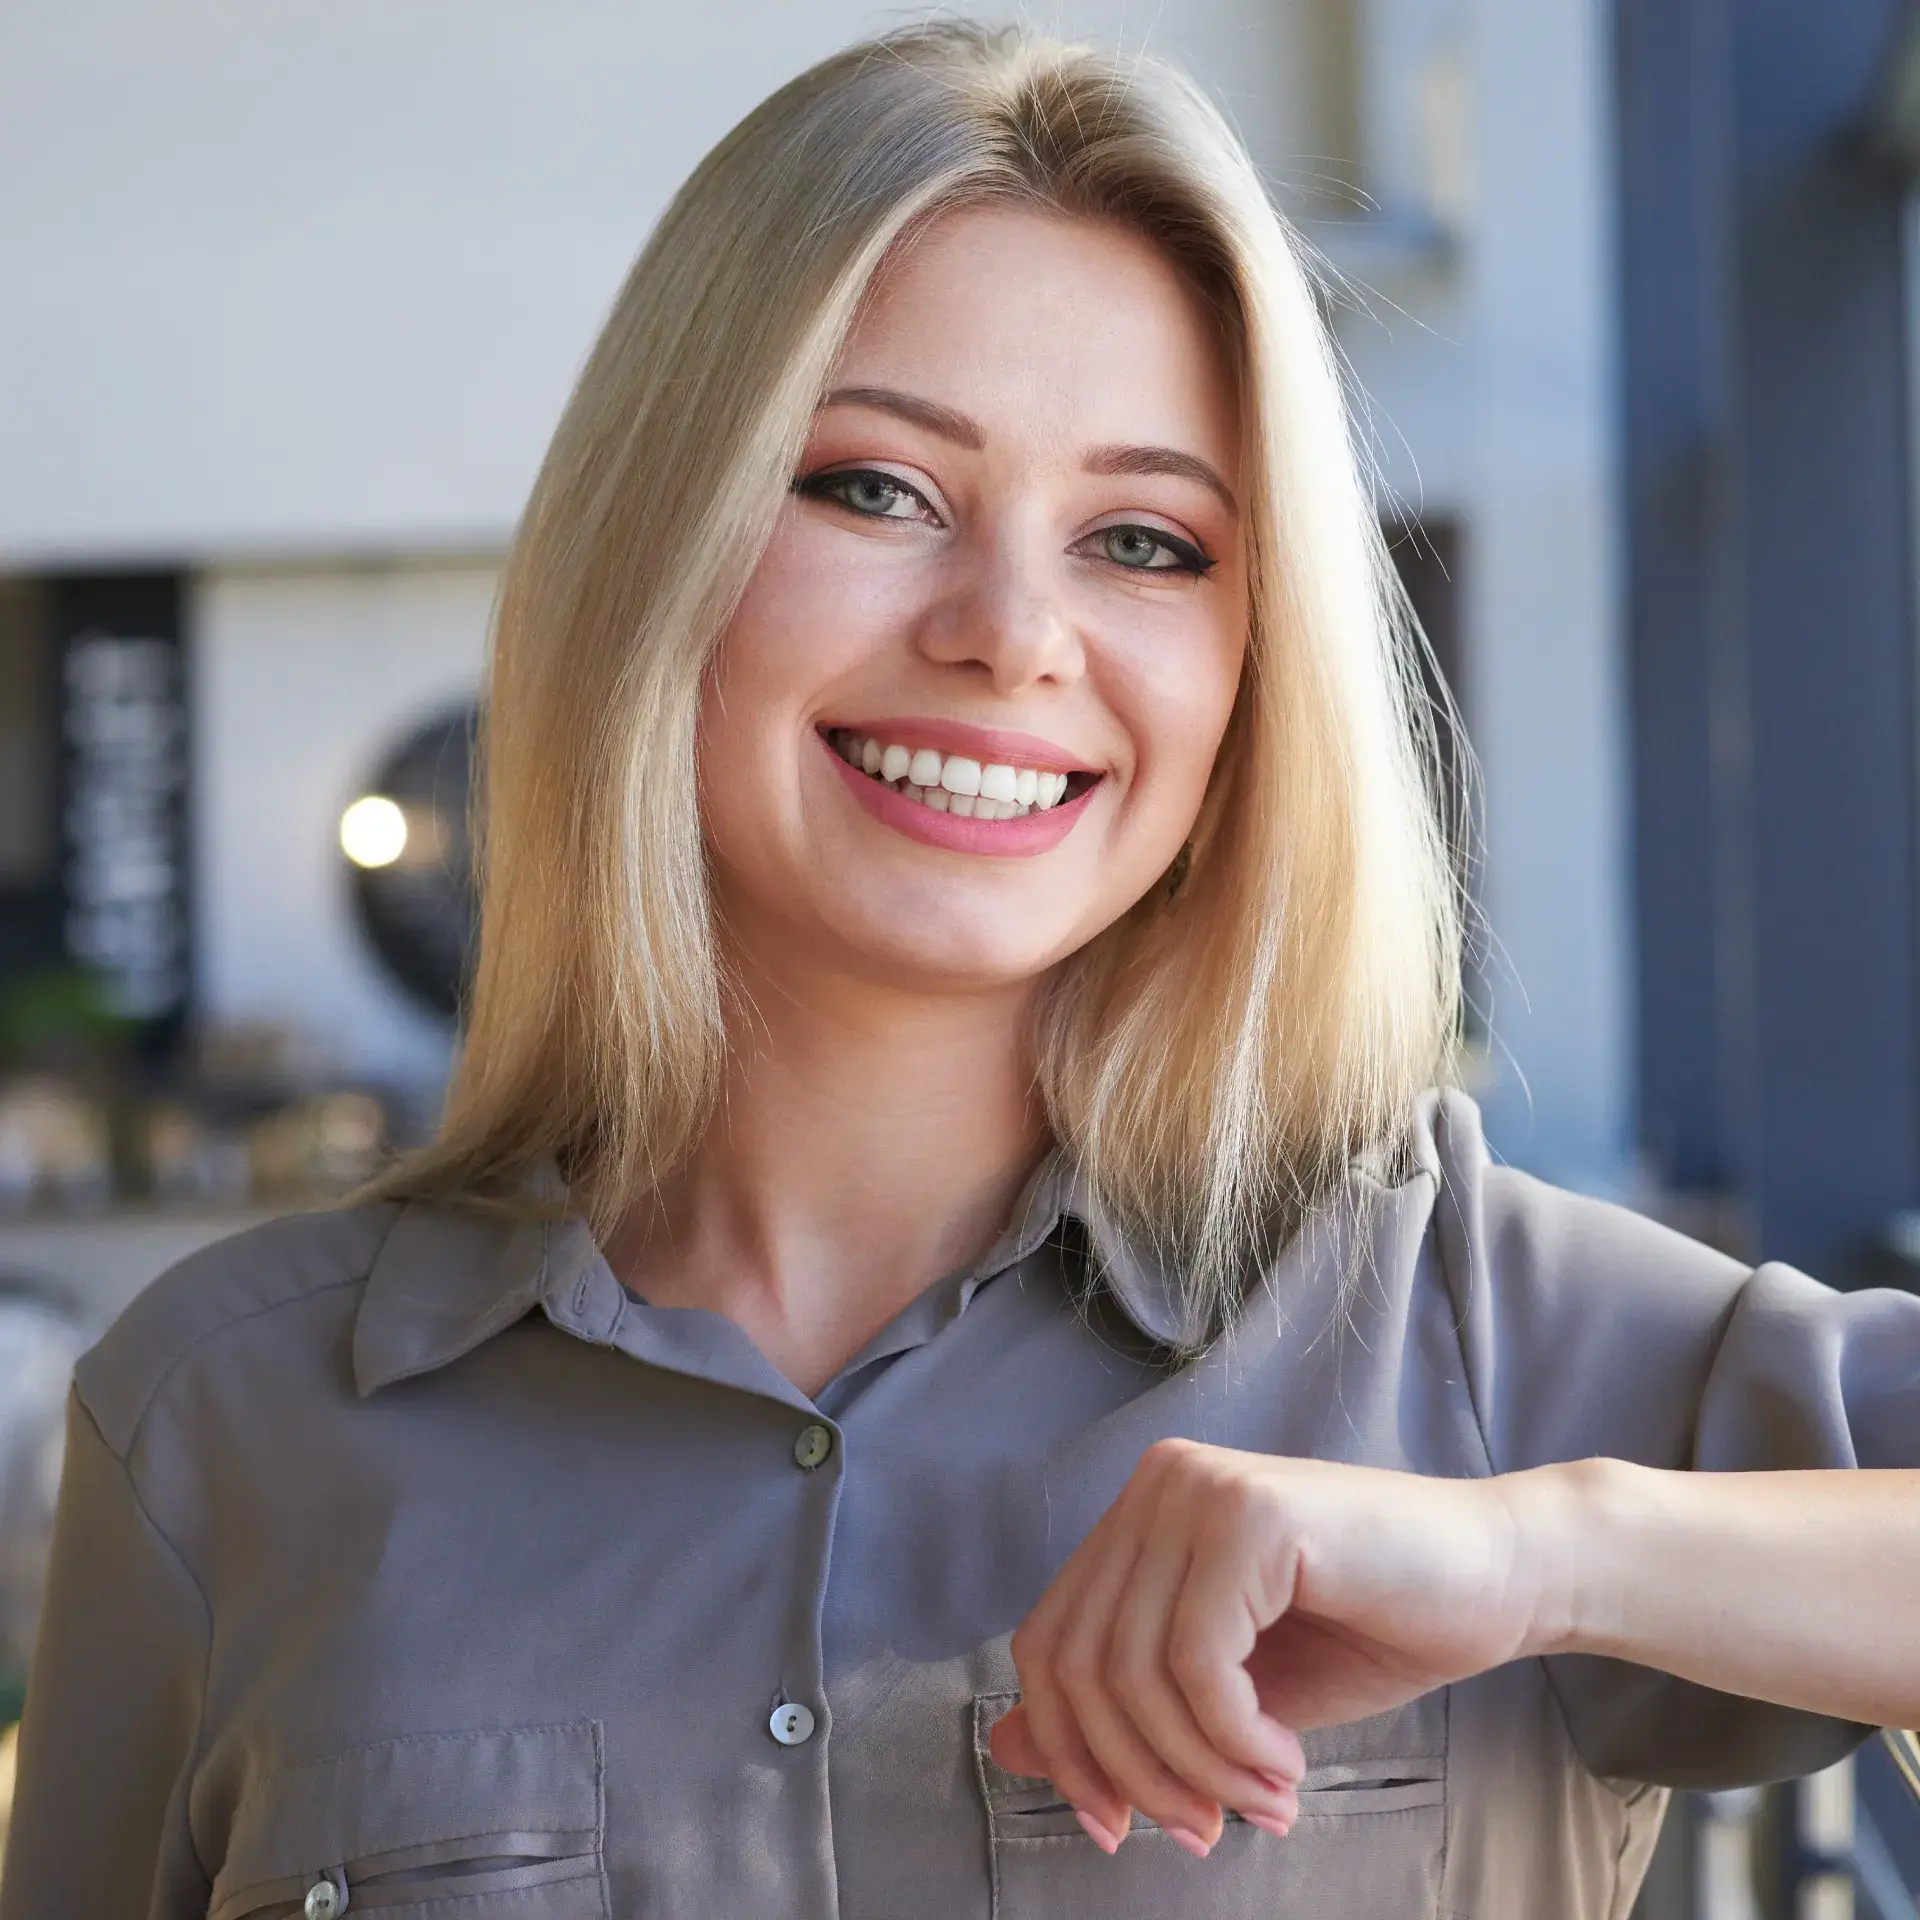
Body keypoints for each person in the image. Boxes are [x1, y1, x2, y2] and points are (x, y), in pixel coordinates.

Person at [5, 22, 1917, 1920]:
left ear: (1258, 671)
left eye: (1146, 540)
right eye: (874, 489)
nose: (1014, 635)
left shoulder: (1481, 1333)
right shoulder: (215, 1423)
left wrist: (1548, 1555)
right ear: (654, 540)